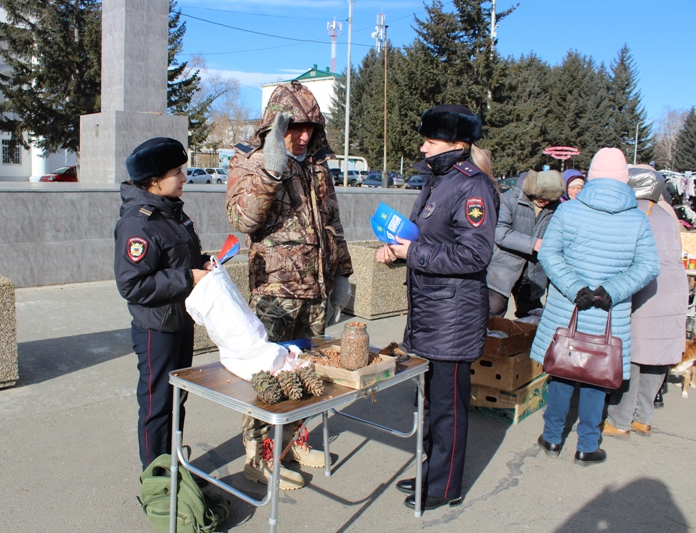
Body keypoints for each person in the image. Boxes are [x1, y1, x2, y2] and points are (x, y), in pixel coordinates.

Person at [226, 80, 353, 490]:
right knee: (268, 379)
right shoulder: (249, 160)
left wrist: (343, 276)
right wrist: (271, 170)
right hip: (275, 294)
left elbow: (331, 220)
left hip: (315, 290)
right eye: (294, 127)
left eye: (310, 128)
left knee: (307, 376)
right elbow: (244, 221)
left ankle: (293, 443)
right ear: (274, 125)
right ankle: (259, 455)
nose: (302, 136)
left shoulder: (316, 163)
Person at [375, 104, 500, 511]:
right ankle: (433, 470)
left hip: (452, 316)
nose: (423, 147)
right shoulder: (438, 180)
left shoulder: (471, 186)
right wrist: (400, 251)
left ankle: (445, 485)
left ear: (457, 144)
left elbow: (474, 255)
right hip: (432, 311)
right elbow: (427, 239)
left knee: (448, 407)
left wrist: (416, 252)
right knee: (431, 402)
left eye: (431, 140)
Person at [531, 148, 660, 466]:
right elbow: (648, 267)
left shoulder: (569, 211)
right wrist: (609, 292)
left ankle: (551, 438)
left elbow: (549, 254)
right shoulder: (637, 219)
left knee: (561, 371)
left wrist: (577, 288)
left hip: (568, 308)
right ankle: (587, 446)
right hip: (608, 313)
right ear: (623, 179)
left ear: (591, 175)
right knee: (596, 376)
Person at [114, 137, 211, 470]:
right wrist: (189, 278)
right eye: (177, 172)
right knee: (157, 405)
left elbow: (179, 259)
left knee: (177, 399)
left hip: (180, 321)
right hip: (157, 328)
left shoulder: (170, 212)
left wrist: (206, 264)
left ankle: (176, 468)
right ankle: (157, 479)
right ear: (154, 180)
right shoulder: (138, 223)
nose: (184, 178)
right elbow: (133, 284)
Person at [602, 166, 687, 437]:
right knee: (657, 356)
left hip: (646, 289)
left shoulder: (632, 212)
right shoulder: (664, 212)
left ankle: (619, 420)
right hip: (674, 288)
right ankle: (644, 417)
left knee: (633, 354)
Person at [487, 170, 564, 318]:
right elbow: (500, 232)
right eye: (543, 197)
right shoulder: (510, 198)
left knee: (531, 315)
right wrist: (533, 243)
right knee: (493, 312)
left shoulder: (557, 206)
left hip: (534, 272)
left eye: (550, 199)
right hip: (503, 268)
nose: (546, 201)